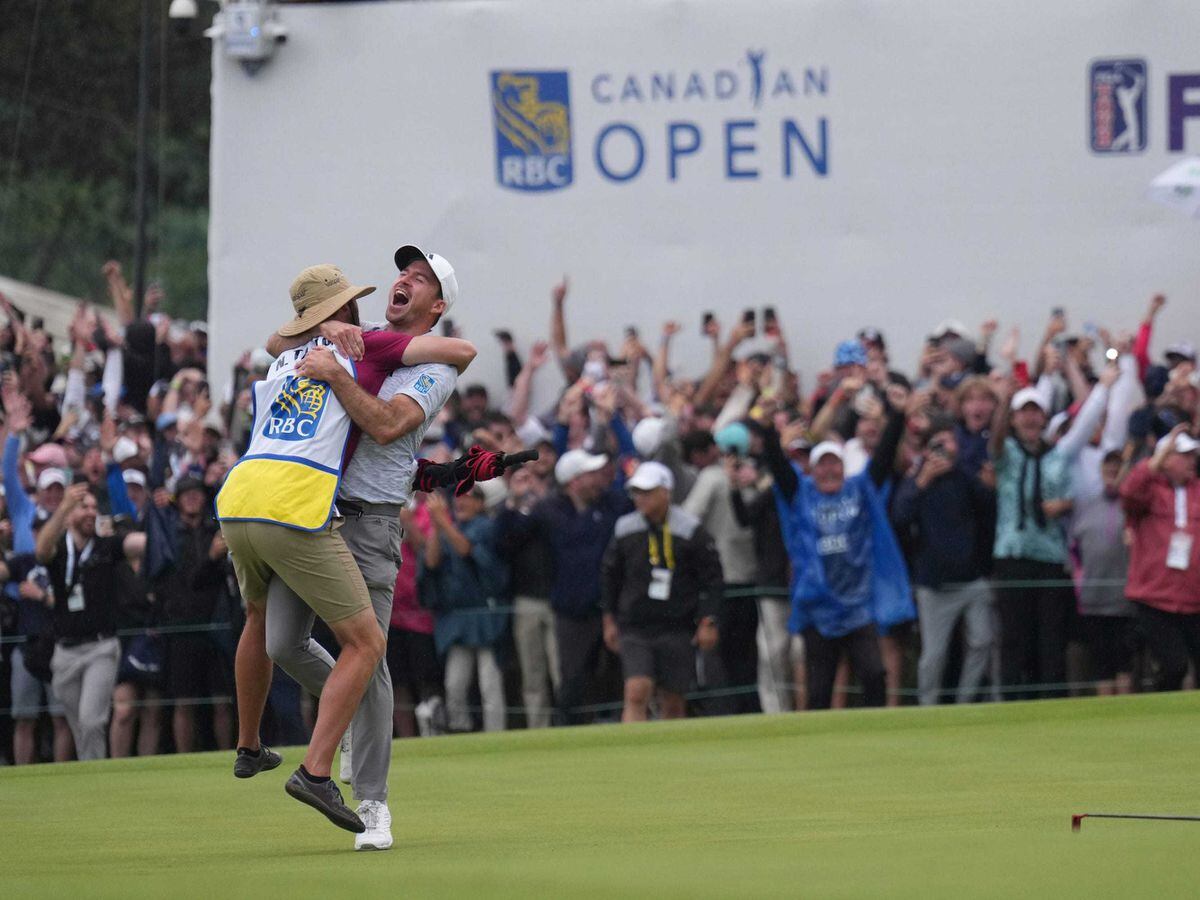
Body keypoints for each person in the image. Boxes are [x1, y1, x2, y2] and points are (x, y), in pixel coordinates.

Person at [216, 263, 468, 836]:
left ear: (436, 304)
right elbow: (277, 339)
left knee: (369, 657)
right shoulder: (361, 333)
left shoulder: (434, 366)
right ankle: (343, 721)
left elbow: (385, 425)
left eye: (421, 278)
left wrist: (333, 368)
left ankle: (373, 801)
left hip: (371, 523)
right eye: (405, 270)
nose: (404, 279)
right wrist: (326, 333)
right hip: (312, 515)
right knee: (282, 641)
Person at [758, 401, 914, 710]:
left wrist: (896, 416)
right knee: (819, 687)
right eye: (823, 465)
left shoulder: (860, 490)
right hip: (818, 607)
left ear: (843, 467)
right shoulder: (800, 494)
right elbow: (777, 465)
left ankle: (876, 734)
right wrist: (767, 430)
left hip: (857, 606)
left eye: (835, 464)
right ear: (813, 470)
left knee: (874, 673)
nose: (829, 470)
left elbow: (883, 459)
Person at [988, 368, 1114, 700]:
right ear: (1015, 418)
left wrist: (1063, 505)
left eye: (1035, 412)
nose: (1030, 419)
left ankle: (1051, 703)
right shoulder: (1008, 454)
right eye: (1023, 413)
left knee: (1051, 637)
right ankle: (1015, 702)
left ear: (1044, 418)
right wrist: (1003, 401)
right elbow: (996, 437)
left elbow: (1072, 496)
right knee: (1015, 637)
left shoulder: (1058, 456)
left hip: (1049, 555)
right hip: (1013, 555)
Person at [495, 448, 630, 724]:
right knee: (572, 681)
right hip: (571, 611)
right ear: (574, 481)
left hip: (613, 607)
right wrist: (513, 502)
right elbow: (508, 542)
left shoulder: (612, 503)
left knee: (617, 677)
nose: (597, 478)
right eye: (590, 474)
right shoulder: (548, 509)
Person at [602, 462, 723, 721]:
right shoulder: (625, 528)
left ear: (666, 492)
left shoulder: (690, 530)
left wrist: (708, 620)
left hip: (678, 625)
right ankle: (631, 753)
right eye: (636, 492)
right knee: (636, 690)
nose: (640, 499)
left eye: (647, 492)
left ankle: (669, 753)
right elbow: (610, 576)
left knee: (673, 699)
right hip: (635, 624)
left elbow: (712, 580)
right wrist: (609, 618)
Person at [892, 416, 997, 705]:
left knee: (982, 641)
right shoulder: (917, 479)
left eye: (949, 441)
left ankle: (964, 703)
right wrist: (923, 480)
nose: (945, 449)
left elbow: (987, 506)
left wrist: (974, 478)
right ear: (926, 450)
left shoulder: (964, 474)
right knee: (934, 655)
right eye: (938, 443)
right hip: (934, 585)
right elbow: (900, 516)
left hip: (971, 579)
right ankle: (928, 708)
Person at [35, 483, 141, 760]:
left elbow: (137, 543)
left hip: (101, 648)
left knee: (92, 721)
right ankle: (91, 773)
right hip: (65, 652)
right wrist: (63, 509)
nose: (91, 512)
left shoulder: (107, 546)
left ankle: (95, 781)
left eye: (94, 508)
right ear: (69, 514)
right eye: (84, 507)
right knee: (79, 726)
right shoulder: (59, 549)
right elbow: (41, 550)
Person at [420, 488, 509, 732]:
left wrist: (444, 522)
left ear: (480, 502)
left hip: (485, 615)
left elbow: (465, 549)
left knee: (489, 682)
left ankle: (496, 732)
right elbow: (431, 561)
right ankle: (459, 729)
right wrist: (437, 528)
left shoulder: (485, 526)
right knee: (454, 683)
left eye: (467, 496)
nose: (460, 501)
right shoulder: (447, 526)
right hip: (457, 619)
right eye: (458, 496)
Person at [1120, 427, 1200, 691]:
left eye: (1193, 455)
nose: (1191, 461)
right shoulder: (1149, 491)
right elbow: (1129, 492)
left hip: (1194, 597)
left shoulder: (1197, 491)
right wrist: (1153, 463)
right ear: (1165, 458)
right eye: (1183, 455)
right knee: (1173, 666)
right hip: (1155, 597)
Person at [496, 464, 559, 728]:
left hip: (556, 601)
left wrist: (538, 499)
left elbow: (550, 527)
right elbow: (503, 543)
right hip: (526, 599)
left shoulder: (553, 508)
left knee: (560, 670)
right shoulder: (509, 515)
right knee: (532, 672)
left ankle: (569, 724)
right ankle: (539, 728)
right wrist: (514, 500)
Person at [1070, 450, 1136, 695]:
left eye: (1117, 468)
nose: (1112, 473)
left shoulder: (1133, 505)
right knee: (1102, 661)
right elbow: (1073, 549)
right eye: (1108, 467)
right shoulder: (1087, 506)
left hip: (1125, 597)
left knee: (1124, 660)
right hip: (1093, 597)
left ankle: (1125, 716)